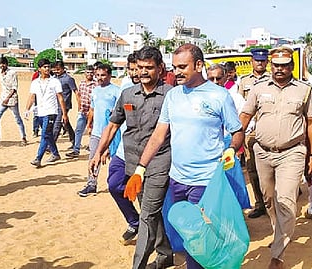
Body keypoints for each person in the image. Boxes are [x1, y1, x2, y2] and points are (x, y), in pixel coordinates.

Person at [122, 43, 244, 269]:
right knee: (188, 234)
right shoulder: (173, 96)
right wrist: (140, 168)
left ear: (198, 65)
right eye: (174, 67)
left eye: (182, 67)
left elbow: (237, 131)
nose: (176, 72)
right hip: (178, 180)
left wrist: (231, 149)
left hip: (206, 181)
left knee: (199, 236)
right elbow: (159, 135)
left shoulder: (219, 95)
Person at [89, 47, 175, 269]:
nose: (143, 72)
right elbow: (113, 124)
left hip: (159, 163)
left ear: (160, 68)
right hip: (132, 164)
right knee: (151, 213)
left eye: (149, 68)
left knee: (147, 215)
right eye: (140, 68)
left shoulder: (171, 95)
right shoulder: (127, 94)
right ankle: (165, 255)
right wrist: (98, 152)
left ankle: (138, 265)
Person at [240, 46, 312, 269]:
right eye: (276, 65)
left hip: (292, 153)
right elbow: (245, 115)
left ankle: (277, 256)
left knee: (285, 200)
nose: (280, 69)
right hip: (262, 152)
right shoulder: (258, 88)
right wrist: (234, 142)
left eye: (285, 65)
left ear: (292, 66)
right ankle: (280, 233)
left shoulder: (304, 90)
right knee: (268, 198)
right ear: (271, 65)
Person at [237, 48, 271, 219]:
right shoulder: (244, 82)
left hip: (269, 128)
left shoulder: (273, 79)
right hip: (250, 131)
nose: (260, 63)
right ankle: (260, 204)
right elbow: (240, 106)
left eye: (263, 60)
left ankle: (273, 201)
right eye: (257, 60)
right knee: (252, 169)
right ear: (252, 61)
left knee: (271, 168)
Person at [77, 63, 120, 196]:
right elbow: (92, 109)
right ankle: (91, 184)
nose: (100, 78)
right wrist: (89, 124)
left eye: (103, 75)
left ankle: (119, 184)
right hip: (96, 132)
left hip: (112, 133)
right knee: (93, 158)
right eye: (98, 75)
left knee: (116, 160)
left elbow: (118, 114)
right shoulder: (95, 90)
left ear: (109, 75)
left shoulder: (117, 91)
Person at [24, 58, 68, 167]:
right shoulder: (35, 82)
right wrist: (27, 109)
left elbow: (60, 98)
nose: (47, 69)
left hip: (51, 112)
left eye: (48, 66)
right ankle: (56, 153)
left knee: (44, 134)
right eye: (45, 67)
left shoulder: (54, 81)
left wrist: (64, 114)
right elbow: (31, 96)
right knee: (48, 135)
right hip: (39, 112)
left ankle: (38, 158)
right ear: (39, 69)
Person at [0, 56, 27, 147]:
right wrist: (4, 98)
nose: (2, 65)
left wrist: (7, 98)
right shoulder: (0, 73)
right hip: (3, 98)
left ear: (7, 64)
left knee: (17, 119)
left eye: (3, 63)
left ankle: (23, 137)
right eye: (0, 64)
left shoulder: (12, 73)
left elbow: (14, 88)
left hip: (12, 99)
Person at [66, 65, 96, 158]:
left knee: (92, 131)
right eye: (88, 72)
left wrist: (92, 111)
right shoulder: (82, 84)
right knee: (79, 130)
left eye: (91, 72)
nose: (89, 74)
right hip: (82, 111)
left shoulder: (96, 85)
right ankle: (76, 149)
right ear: (84, 73)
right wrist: (79, 107)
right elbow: (79, 96)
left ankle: (92, 148)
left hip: (92, 112)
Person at [52, 60, 77, 148]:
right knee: (66, 123)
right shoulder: (53, 78)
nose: (56, 71)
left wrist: (80, 105)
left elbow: (76, 92)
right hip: (54, 104)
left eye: (58, 69)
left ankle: (50, 145)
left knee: (57, 124)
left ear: (63, 69)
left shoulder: (68, 79)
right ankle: (75, 141)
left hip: (64, 105)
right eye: (54, 69)